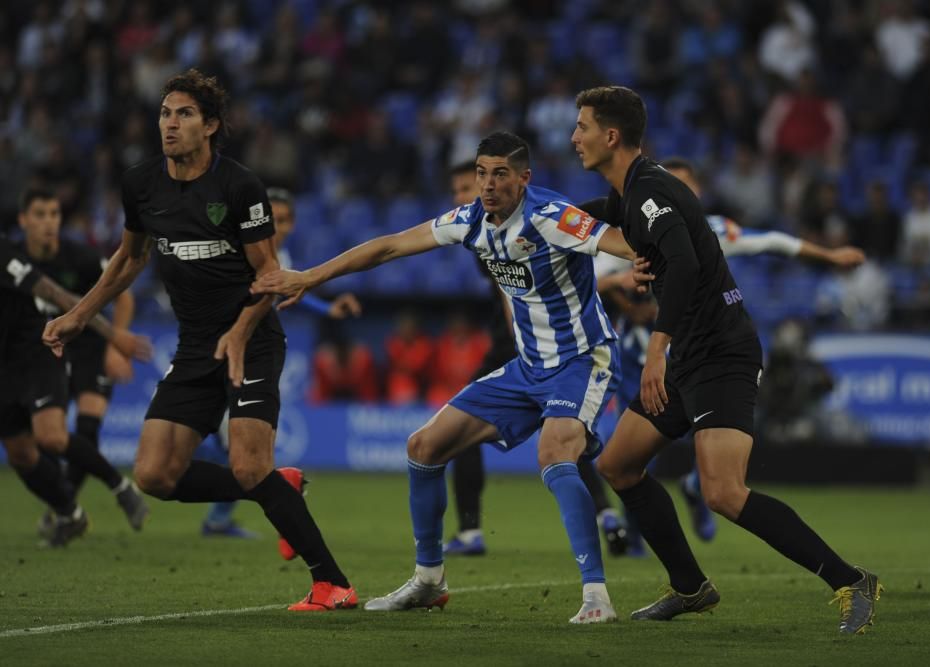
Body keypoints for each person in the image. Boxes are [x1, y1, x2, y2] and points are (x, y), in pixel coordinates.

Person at [253, 131, 637, 624]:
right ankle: (429, 580)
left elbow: (618, 243)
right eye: (481, 173)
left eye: (500, 173)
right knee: (423, 447)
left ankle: (596, 596)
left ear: (524, 178)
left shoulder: (552, 215)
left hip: (582, 359)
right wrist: (310, 276)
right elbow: (390, 247)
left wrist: (646, 263)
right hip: (527, 365)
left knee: (555, 451)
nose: (488, 184)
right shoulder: (471, 220)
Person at [42, 69, 355, 612]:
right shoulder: (141, 184)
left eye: (184, 114)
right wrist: (79, 314)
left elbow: (269, 276)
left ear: (209, 126)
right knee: (153, 475)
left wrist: (238, 331)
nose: (170, 123)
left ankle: (333, 583)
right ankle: (279, 487)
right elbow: (129, 259)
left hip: (251, 339)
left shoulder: (239, 187)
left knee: (249, 464)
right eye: (165, 112)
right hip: (195, 346)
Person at [571, 85, 881, 634]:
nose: (575, 138)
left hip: (720, 353)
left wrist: (655, 354)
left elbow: (686, 267)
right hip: (690, 352)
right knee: (618, 466)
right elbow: (593, 217)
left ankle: (850, 579)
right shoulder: (630, 192)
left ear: (611, 136)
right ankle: (690, 587)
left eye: (583, 127)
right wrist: (541, 214)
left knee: (724, 493)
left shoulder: (651, 193)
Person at [620, 157, 866, 544]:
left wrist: (830, 257)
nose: (678, 192)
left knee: (717, 473)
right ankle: (644, 535)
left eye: (687, 184)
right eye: (672, 184)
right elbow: (604, 263)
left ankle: (696, 489)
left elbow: (772, 241)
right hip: (669, 346)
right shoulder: (647, 226)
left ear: (697, 190)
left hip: (713, 348)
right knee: (622, 457)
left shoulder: (714, 230)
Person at [443, 160, 629, 558]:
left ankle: (472, 531)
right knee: (563, 439)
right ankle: (604, 515)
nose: (463, 197)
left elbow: (526, 290)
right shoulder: (483, 227)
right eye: (460, 189)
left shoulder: (515, 224)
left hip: (527, 345)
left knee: (543, 439)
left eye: (466, 188)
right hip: (528, 342)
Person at [199, 186, 361, 540]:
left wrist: (327, 309)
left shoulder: (280, 256)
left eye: (286, 220)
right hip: (214, 346)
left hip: (242, 354)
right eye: (274, 218)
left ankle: (217, 520)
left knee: (229, 446)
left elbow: (286, 292)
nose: (280, 226)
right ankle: (225, 502)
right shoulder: (242, 250)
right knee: (209, 445)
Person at [1, 236, 151, 547]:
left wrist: (114, 338)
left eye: (53, 214)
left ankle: (119, 486)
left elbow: (58, 294)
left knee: (54, 436)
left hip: (43, 349)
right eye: (40, 215)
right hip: (7, 366)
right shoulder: (21, 248)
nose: (48, 224)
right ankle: (68, 512)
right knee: (21, 454)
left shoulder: (17, 256)